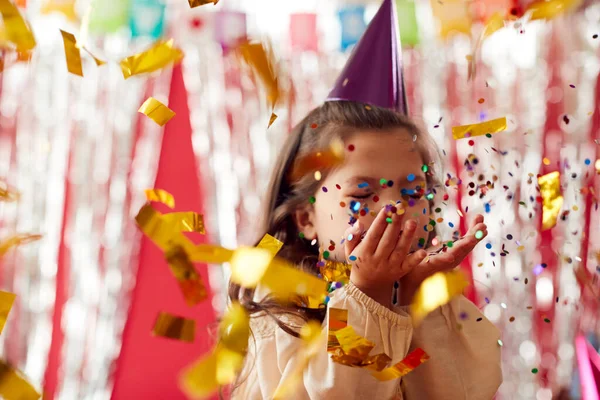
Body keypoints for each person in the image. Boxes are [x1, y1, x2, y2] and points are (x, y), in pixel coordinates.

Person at [229, 1, 502, 399]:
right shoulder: (279, 311)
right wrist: (367, 296)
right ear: (306, 217)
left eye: (412, 191)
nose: (393, 209)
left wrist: (416, 301)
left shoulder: (437, 298)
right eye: (362, 193)